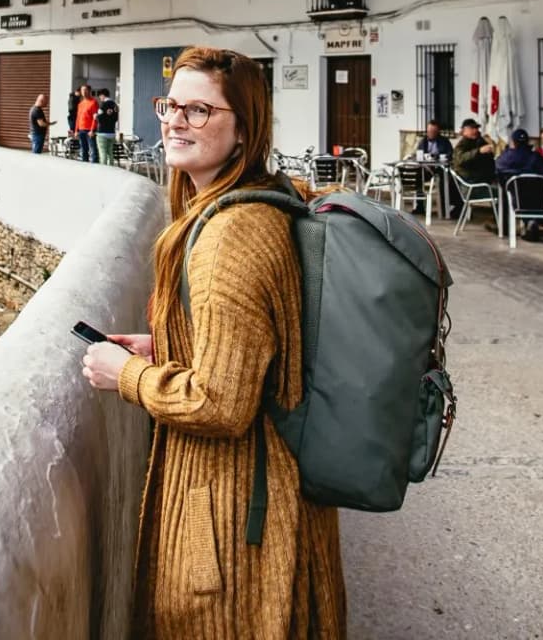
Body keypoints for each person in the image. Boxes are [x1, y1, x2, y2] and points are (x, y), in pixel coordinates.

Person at [79, 47, 346, 636]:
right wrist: (164, 345)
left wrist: (125, 374)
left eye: (198, 111)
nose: (173, 121)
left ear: (244, 129)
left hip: (235, 522)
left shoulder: (231, 236)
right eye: (171, 105)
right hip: (253, 500)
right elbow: (248, 343)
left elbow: (221, 402)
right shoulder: (251, 204)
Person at [95, 87, 120, 165]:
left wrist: (96, 116)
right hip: (111, 132)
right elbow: (116, 118)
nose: (100, 99)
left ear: (102, 95)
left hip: (102, 132)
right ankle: (111, 168)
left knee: (103, 153)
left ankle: (104, 170)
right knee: (110, 153)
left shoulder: (103, 105)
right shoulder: (115, 105)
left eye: (100, 97)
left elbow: (100, 118)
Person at [74, 83, 98, 163]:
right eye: (82, 90)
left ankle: (95, 167)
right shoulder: (80, 104)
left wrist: (92, 130)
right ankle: (85, 167)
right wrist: (76, 130)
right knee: (83, 149)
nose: (83, 92)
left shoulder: (94, 102)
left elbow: (95, 118)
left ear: (89, 91)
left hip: (90, 131)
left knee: (93, 149)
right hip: (81, 130)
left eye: (85, 90)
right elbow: (78, 118)